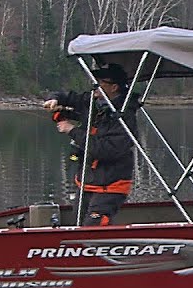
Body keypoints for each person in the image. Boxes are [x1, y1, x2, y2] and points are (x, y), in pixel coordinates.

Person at [41, 63, 139, 226]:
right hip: (87, 181)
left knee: (93, 227)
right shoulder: (93, 101)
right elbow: (68, 97)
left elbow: (105, 150)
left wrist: (72, 130)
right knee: (78, 225)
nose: (96, 87)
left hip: (111, 185)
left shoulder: (125, 116)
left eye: (101, 83)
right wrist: (54, 100)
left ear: (114, 87)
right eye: (95, 82)